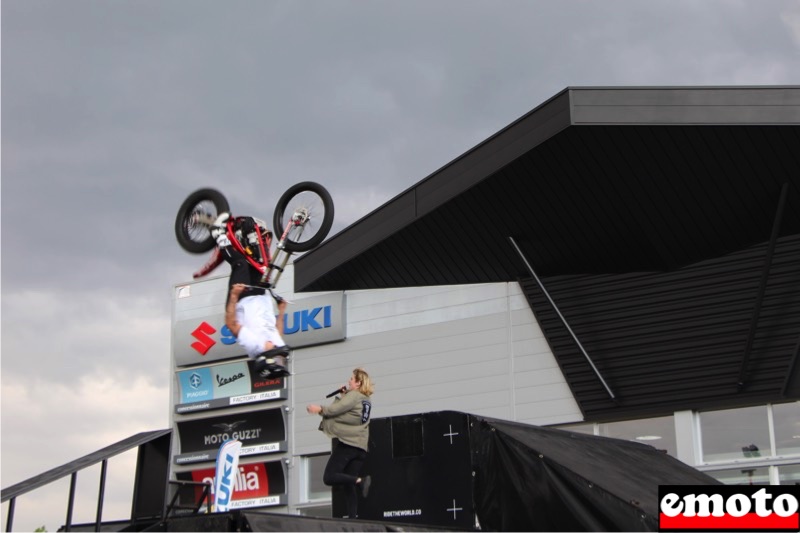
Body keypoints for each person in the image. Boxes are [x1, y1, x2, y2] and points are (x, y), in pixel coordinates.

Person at [212, 213, 290, 377]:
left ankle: (217, 233)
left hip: (242, 298)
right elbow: (278, 331)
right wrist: (281, 310)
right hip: (260, 294)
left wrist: (234, 295)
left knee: (240, 263)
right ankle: (247, 234)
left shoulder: (254, 346)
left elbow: (232, 325)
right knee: (260, 261)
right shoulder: (276, 344)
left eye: (277, 359)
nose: (279, 356)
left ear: (267, 358)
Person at [306, 368, 374, 519]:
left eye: (352, 379)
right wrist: (344, 395)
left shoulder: (355, 395)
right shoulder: (366, 400)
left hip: (349, 444)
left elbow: (336, 409)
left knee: (329, 477)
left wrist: (319, 409)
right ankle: (353, 516)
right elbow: (351, 413)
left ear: (358, 383)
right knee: (348, 484)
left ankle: (361, 480)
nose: (349, 381)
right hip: (361, 447)